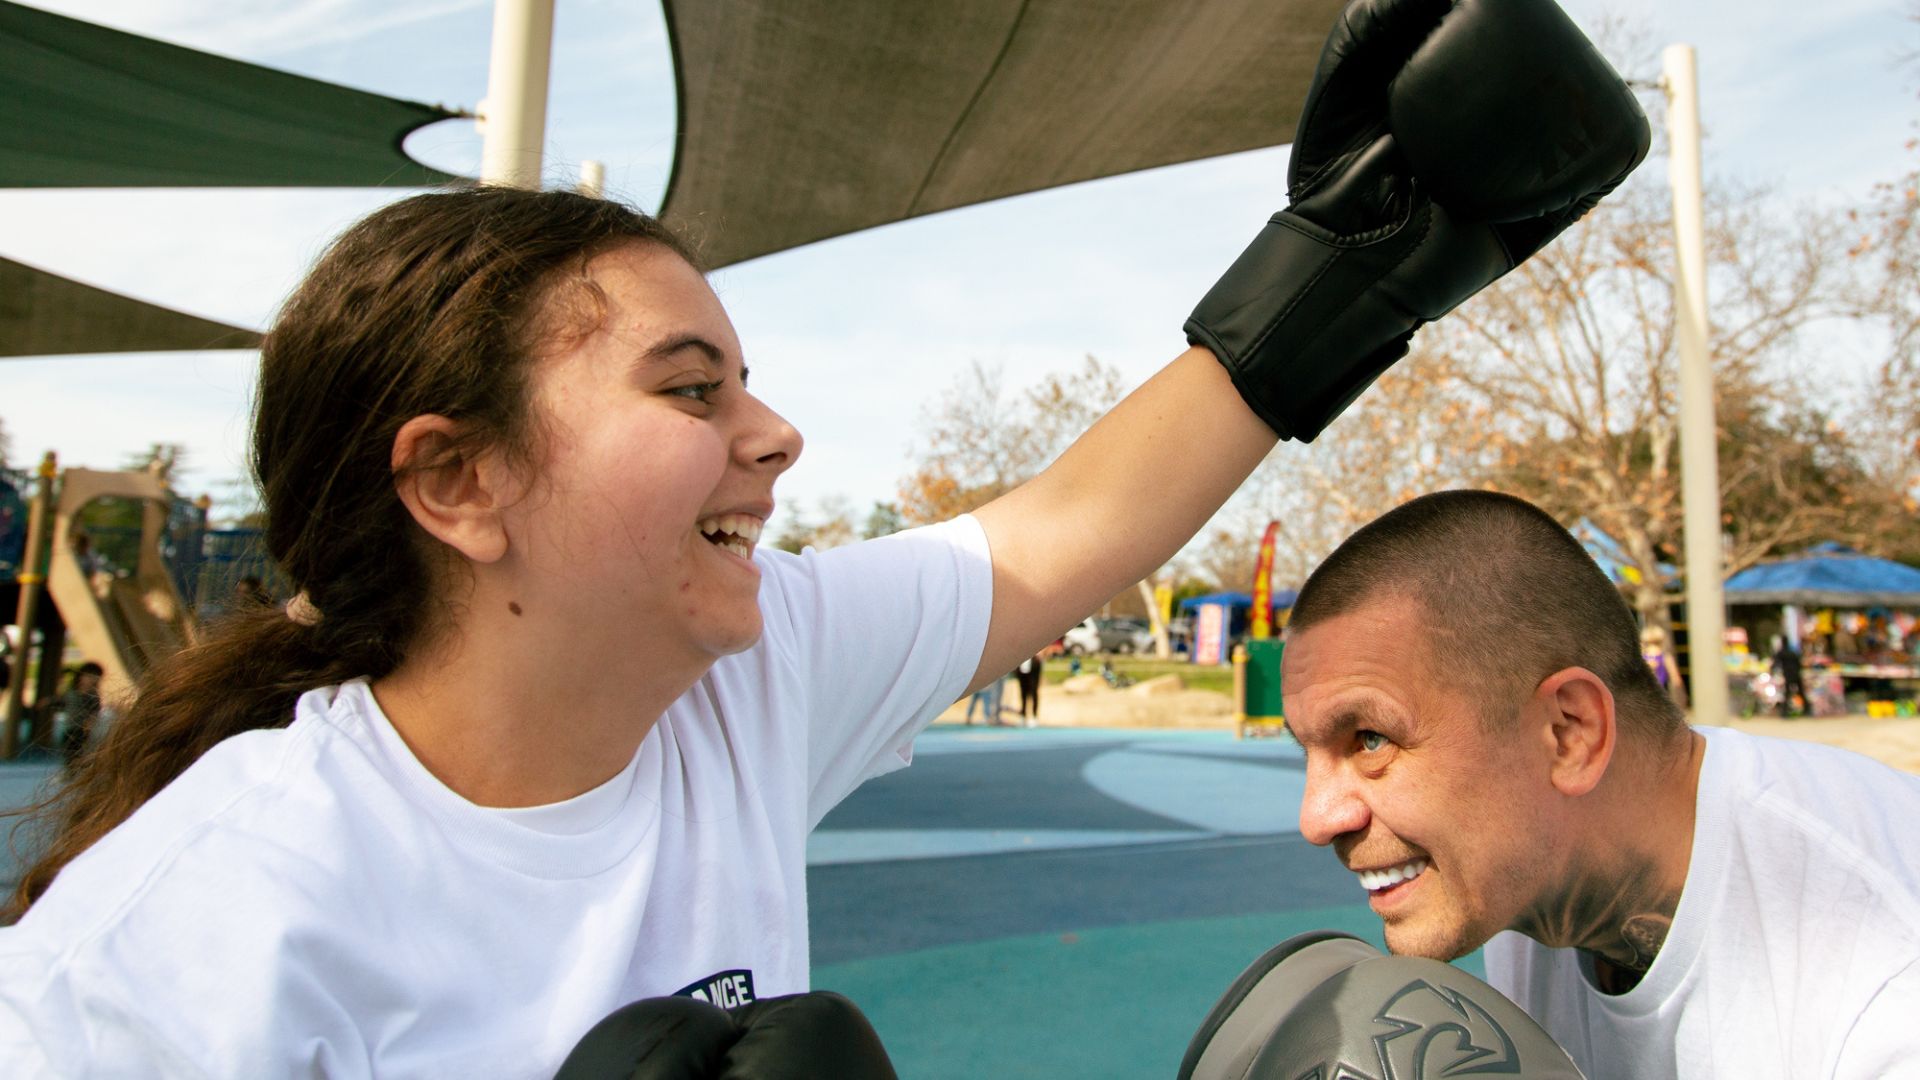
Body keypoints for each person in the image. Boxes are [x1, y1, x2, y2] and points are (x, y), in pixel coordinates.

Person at [0, 0, 1648, 1072]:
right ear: (458, 485)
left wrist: (1356, 258)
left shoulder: (742, 679)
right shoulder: (187, 937)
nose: (773, 433)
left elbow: (1061, 532)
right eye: (688, 387)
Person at [1279, 490, 1920, 1078]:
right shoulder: (1529, 881)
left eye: (1370, 739)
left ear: (1569, 733)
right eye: (1308, 751)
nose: (1316, 818)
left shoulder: (1882, 987)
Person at [56, 661, 104, 770]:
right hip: (69, 728)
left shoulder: (92, 696)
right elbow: (61, 702)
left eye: (95, 677)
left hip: (81, 729)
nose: (92, 680)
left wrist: (89, 725)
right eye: (89, 676)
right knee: (69, 756)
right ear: (81, 677)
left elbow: (94, 713)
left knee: (78, 756)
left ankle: (76, 770)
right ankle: (71, 771)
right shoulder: (72, 692)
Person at [1770, 634, 1806, 717]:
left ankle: (1785, 712)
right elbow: (1799, 663)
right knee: (1801, 693)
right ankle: (1806, 709)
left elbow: (1775, 663)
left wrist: (1772, 670)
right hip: (1796, 674)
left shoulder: (1781, 652)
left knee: (1787, 693)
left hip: (1788, 675)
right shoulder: (1792, 652)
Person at [1015, 651, 1044, 726]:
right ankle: (1023, 715)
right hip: (1022, 665)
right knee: (1023, 692)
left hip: (1034, 664)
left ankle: (1034, 716)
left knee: (1034, 691)